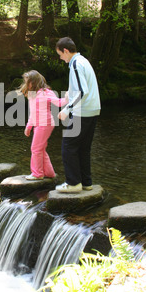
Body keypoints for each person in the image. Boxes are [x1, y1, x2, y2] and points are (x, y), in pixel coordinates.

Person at [55, 37, 101, 193]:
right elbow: (82, 86)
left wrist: (66, 109)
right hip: (93, 110)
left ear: (66, 51)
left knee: (68, 146)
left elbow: (82, 91)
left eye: (60, 54)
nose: (61, 58)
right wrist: (69, 93)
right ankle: (86, 183)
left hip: (82, 112)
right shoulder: (83, 60)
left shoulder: (75, 63)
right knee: (83, 148)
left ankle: (73, 183)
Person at [19, 70, 67, 180]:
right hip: (38, 124)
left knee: (35, 148)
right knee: (41, 149)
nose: (26, 84)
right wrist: (28, 126)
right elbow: (32, 113)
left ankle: (37, 174)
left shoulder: (46, 92)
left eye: (27, 82)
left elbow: (59, 102)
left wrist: (69, 98)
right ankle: (50, 173)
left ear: (34, 82)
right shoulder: (32, 94)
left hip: (45, 124)